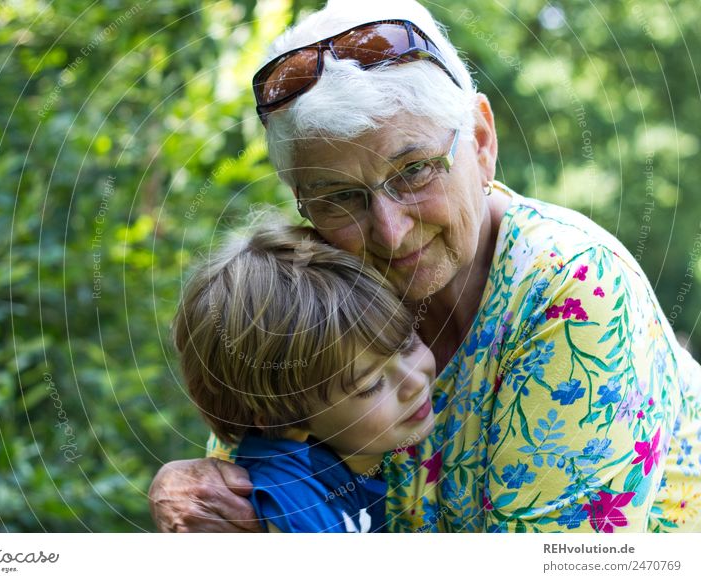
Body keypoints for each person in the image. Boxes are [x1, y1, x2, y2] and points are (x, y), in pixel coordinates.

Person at [151, 0, 701, 533]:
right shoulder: (314, 288)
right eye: (338, 196)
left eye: (414, 170)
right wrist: (208, 489)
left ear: (482, 143)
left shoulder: (575, 287)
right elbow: (258, 461)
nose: (390, 230)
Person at [172, 219, 436, 532]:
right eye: (370, 384)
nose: (416, 382)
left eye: (407, 343)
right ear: (281, 420)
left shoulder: (348, 462)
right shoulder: (292, 504)